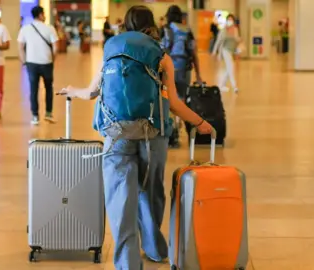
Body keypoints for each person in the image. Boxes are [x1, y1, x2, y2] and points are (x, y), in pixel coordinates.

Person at [58, 5, 213, 269]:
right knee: (150, 194)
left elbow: (92, 92)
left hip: (117, 135)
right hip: (153, 135)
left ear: (125, 25)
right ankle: (154, 248)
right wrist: (200, 122)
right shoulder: (160, 55)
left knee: (121, 200)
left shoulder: (111, 49)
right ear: (151, 24)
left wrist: (73, 90)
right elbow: (173, 102)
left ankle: (127, 264)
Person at [161, 5, 203, 148]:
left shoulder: (165, 30)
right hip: (185, 69)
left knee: (167, 99)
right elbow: (194, 54)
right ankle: (178, 126)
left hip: (168, 70)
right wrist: (198, 75)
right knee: (181, 100)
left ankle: (171, 131)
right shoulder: (187, 31)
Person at [18, 6, 59, 125]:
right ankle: (48, 113)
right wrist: (52, 60)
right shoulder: (49, 28)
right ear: (41, 15)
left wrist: (24, 62)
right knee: (49, 88)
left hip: (31, 64)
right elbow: (56, 47)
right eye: (44, 14)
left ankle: (35, 116)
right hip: (47, 63)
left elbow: (20, 47)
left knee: (33, 89)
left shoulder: (25, 29)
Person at [212, 13, 242, 93]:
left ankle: (221, 85)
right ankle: (235, 87)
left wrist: (238, 46)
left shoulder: (235, 29)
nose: (230, 21)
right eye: (228, 20)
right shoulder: (223, 30)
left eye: (231, 20)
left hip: (232, 50)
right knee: (231, 66)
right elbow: (218, 41)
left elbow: (236, 40)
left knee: (229, 68)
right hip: (225, 50)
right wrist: (214, 51)